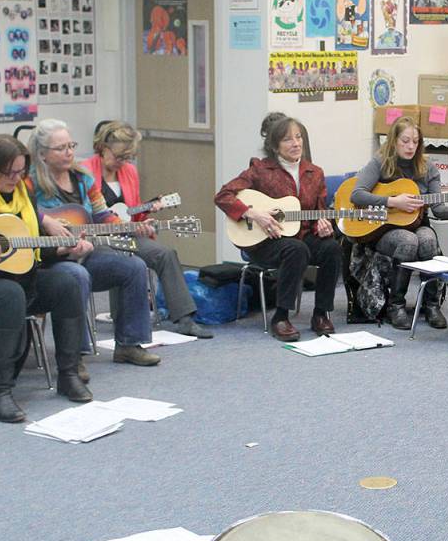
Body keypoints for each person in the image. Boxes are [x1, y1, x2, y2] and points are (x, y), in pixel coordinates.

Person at [0, 135, 93, 422]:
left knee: (68, 281)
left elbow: (25, 253)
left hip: (18, 282)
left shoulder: (22, 195)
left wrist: (61, 250)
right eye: (8, 172)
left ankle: (68, 372)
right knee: (8, 292)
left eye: (20, 172)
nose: (15, 179)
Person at [27, 118, 159, 368]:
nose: (69, 152)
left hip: (86, 251)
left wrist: (130, 226)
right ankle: (74, 356)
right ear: (42, 154)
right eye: (61, 148)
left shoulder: (83, 178)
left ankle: (129, 344)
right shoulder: (30, 182)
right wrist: (45, 220)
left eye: (71, 145)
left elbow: (101, 215)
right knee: (76, 276)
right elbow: (19, 211)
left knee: (133, 266)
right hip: (50, 259)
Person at [215, 113, 341, 341]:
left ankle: (321, 313)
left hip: (300, 235)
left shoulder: (314, 172)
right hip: (264, 241)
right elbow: (223, 195)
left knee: (331, 248)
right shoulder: (260, 171)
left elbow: (319, 213)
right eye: (287, 139)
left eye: (298, 137)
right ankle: (281, 316)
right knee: (296, 249)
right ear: (274, 146)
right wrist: (253, 213)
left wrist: (323, 225)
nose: (296, 143)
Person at [81, 121, 212, 338]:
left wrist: (146, 219)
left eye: (127, 157)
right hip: (97, 238)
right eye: (119, 156)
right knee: (125, 259)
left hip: (127, 233)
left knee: (165, 254)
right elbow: (83, 213)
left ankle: (185, 318)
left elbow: (134, 213)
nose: (123, 162)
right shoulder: (85, 171)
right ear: (103, 148)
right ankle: (126, 320)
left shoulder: (129, 172)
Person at [350, 117, 448, 330]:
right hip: (384, 228)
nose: (410, 146)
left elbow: (439, 209)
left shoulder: (428, 168)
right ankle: (395, 306)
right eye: (405, 141)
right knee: (407, 241)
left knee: (427, 239)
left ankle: (431, 305)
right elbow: (357, 195)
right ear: (394, 141)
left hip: (418, 224)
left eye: (415, 142)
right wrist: (392, 201)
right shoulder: (380, 162)